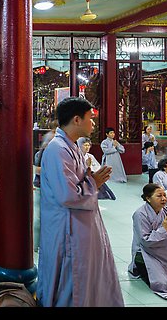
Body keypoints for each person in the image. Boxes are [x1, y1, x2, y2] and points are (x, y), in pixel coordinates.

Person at [36, 97, 124, 307]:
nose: (93, 124)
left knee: (88, 275)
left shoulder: (72, 147)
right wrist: (94, 182)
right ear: (77, 119)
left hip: (81, 223)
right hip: (68, 227)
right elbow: (68, 195)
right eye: (90, 119)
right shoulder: (58, 150)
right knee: (73, 279)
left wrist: (90, 177)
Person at [33, 120, 58, 252]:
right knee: (40, 218)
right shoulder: (48, 146)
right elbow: (37, 169)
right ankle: (36, 244)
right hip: (42, 186)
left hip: (52, 187)